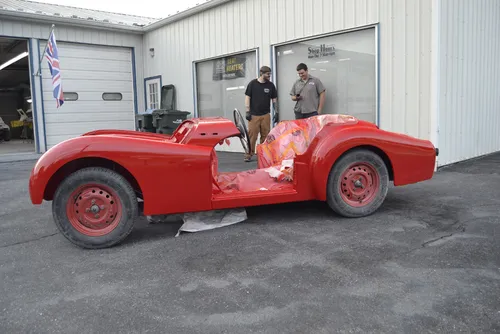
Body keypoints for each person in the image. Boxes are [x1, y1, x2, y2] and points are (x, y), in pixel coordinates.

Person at [244, 65, 278, 162]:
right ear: (261, 73)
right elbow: (247, 98)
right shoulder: (252, 84)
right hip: (254, 115)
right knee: (252, 136)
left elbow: (274, 99)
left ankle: (263, 155)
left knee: (265, 135)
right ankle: (248, 154)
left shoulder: (271, 85)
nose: (269, 76)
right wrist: (247, 111)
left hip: (265, 115)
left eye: (270, 74)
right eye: (267, 74)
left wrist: (276, 111)